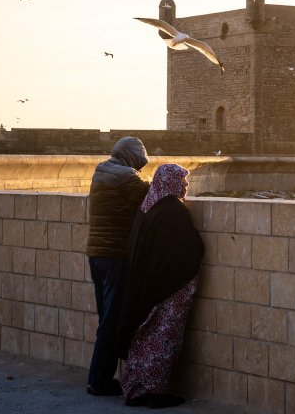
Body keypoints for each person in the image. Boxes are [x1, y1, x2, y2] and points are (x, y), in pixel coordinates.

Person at [116, 163, 204, 408]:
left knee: (144, 338)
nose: (185, 185)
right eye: (182, 180)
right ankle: (156, 393)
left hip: (148, 287)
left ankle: (138, 387)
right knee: (163, 338)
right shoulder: (174, 211)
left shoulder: (149, 207)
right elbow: (186, 249)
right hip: (169, 289)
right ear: (170, 182)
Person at [86, 137, 150, 396]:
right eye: (139, 163)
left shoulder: (100, 170)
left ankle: (97, 378)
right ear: (132, 158)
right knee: (112, 321)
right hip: (115, 256)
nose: (140, 169)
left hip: (96, 254)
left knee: (106, 319)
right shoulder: (127, 177)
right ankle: (99, 381)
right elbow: (150, 195)